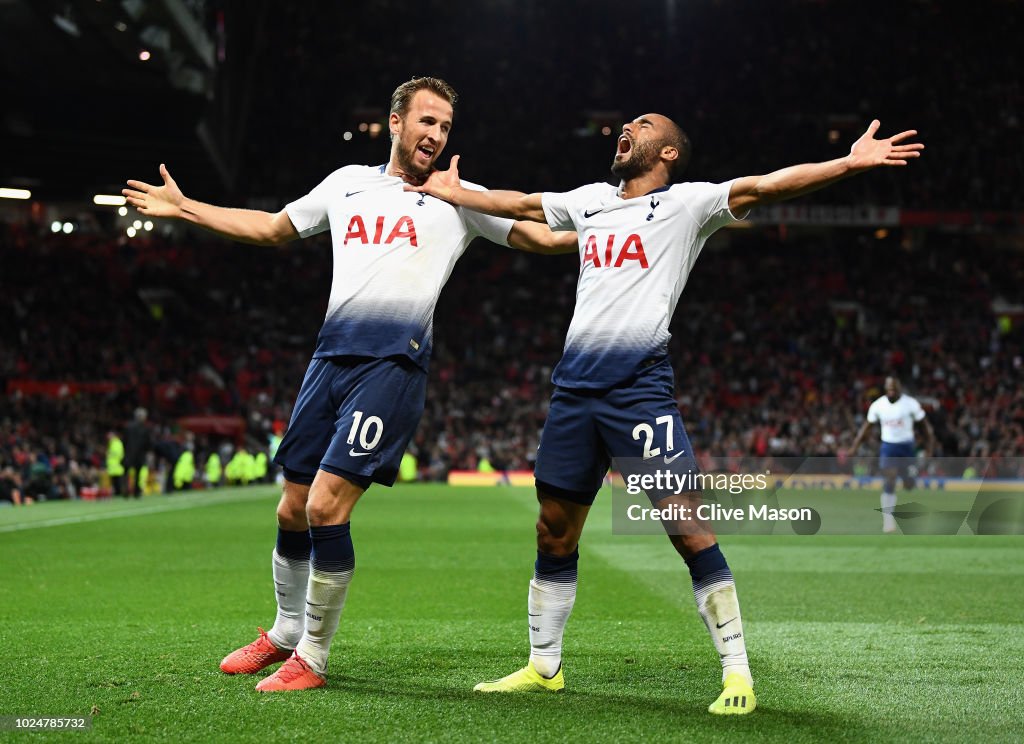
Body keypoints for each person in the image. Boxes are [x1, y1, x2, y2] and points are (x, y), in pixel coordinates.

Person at [409, 115, 923, 714]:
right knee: (553, 527)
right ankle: (543, 666)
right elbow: (521, 204)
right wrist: (456, 193)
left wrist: (847, 163)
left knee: (687, 528)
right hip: (574, 390)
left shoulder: (688, 204)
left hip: (638, 393)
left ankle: (737, 674)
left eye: (643, 123)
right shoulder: (592, 201)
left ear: (669, 151)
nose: (627, 125)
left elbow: (767, 185)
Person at [123, 76, 573, 692]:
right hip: (328, 361)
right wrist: (187, 207)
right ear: (395, 123)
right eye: (427, 122)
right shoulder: (346, 183)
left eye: (445, 127)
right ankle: (284, 631)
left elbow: (540, 237)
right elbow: (274, 228)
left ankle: (312, 656)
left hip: (391, 367)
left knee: (325, 505)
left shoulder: (459, 198)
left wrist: (621, 231)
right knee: (290, 507)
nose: (436, 136)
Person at [848, 376, 935, 533]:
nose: (891, 390)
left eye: (894, 388)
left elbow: (926, 427)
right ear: (885, 388)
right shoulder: (878, 405)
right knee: (890, 480)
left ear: (899, 388)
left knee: (909, 485)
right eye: (889, 388)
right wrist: (854, 446)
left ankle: (907, 478)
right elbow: (866, 428)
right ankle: (888, 523)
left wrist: (929, 448)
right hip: (888, 447)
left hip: (907, 447)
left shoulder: (910, 404)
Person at [123, 408, 151, 499]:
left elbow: (124, 441)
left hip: (128, 453)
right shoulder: (144, 428)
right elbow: (148, 443)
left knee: (126, 473)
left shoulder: (128, 426)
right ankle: (136, 492)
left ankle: (126, 491)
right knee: (137, 474)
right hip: (139, 454)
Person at [105, 431, 125, 497]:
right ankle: (117, 494)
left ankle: (119, 494)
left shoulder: (117, 443)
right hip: (113, 467)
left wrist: (109, 454)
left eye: (109, 436)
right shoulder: (112, 443)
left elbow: (119, 454)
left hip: (117, 466)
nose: (108, 437)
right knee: (114, 483)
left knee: (118, 482)